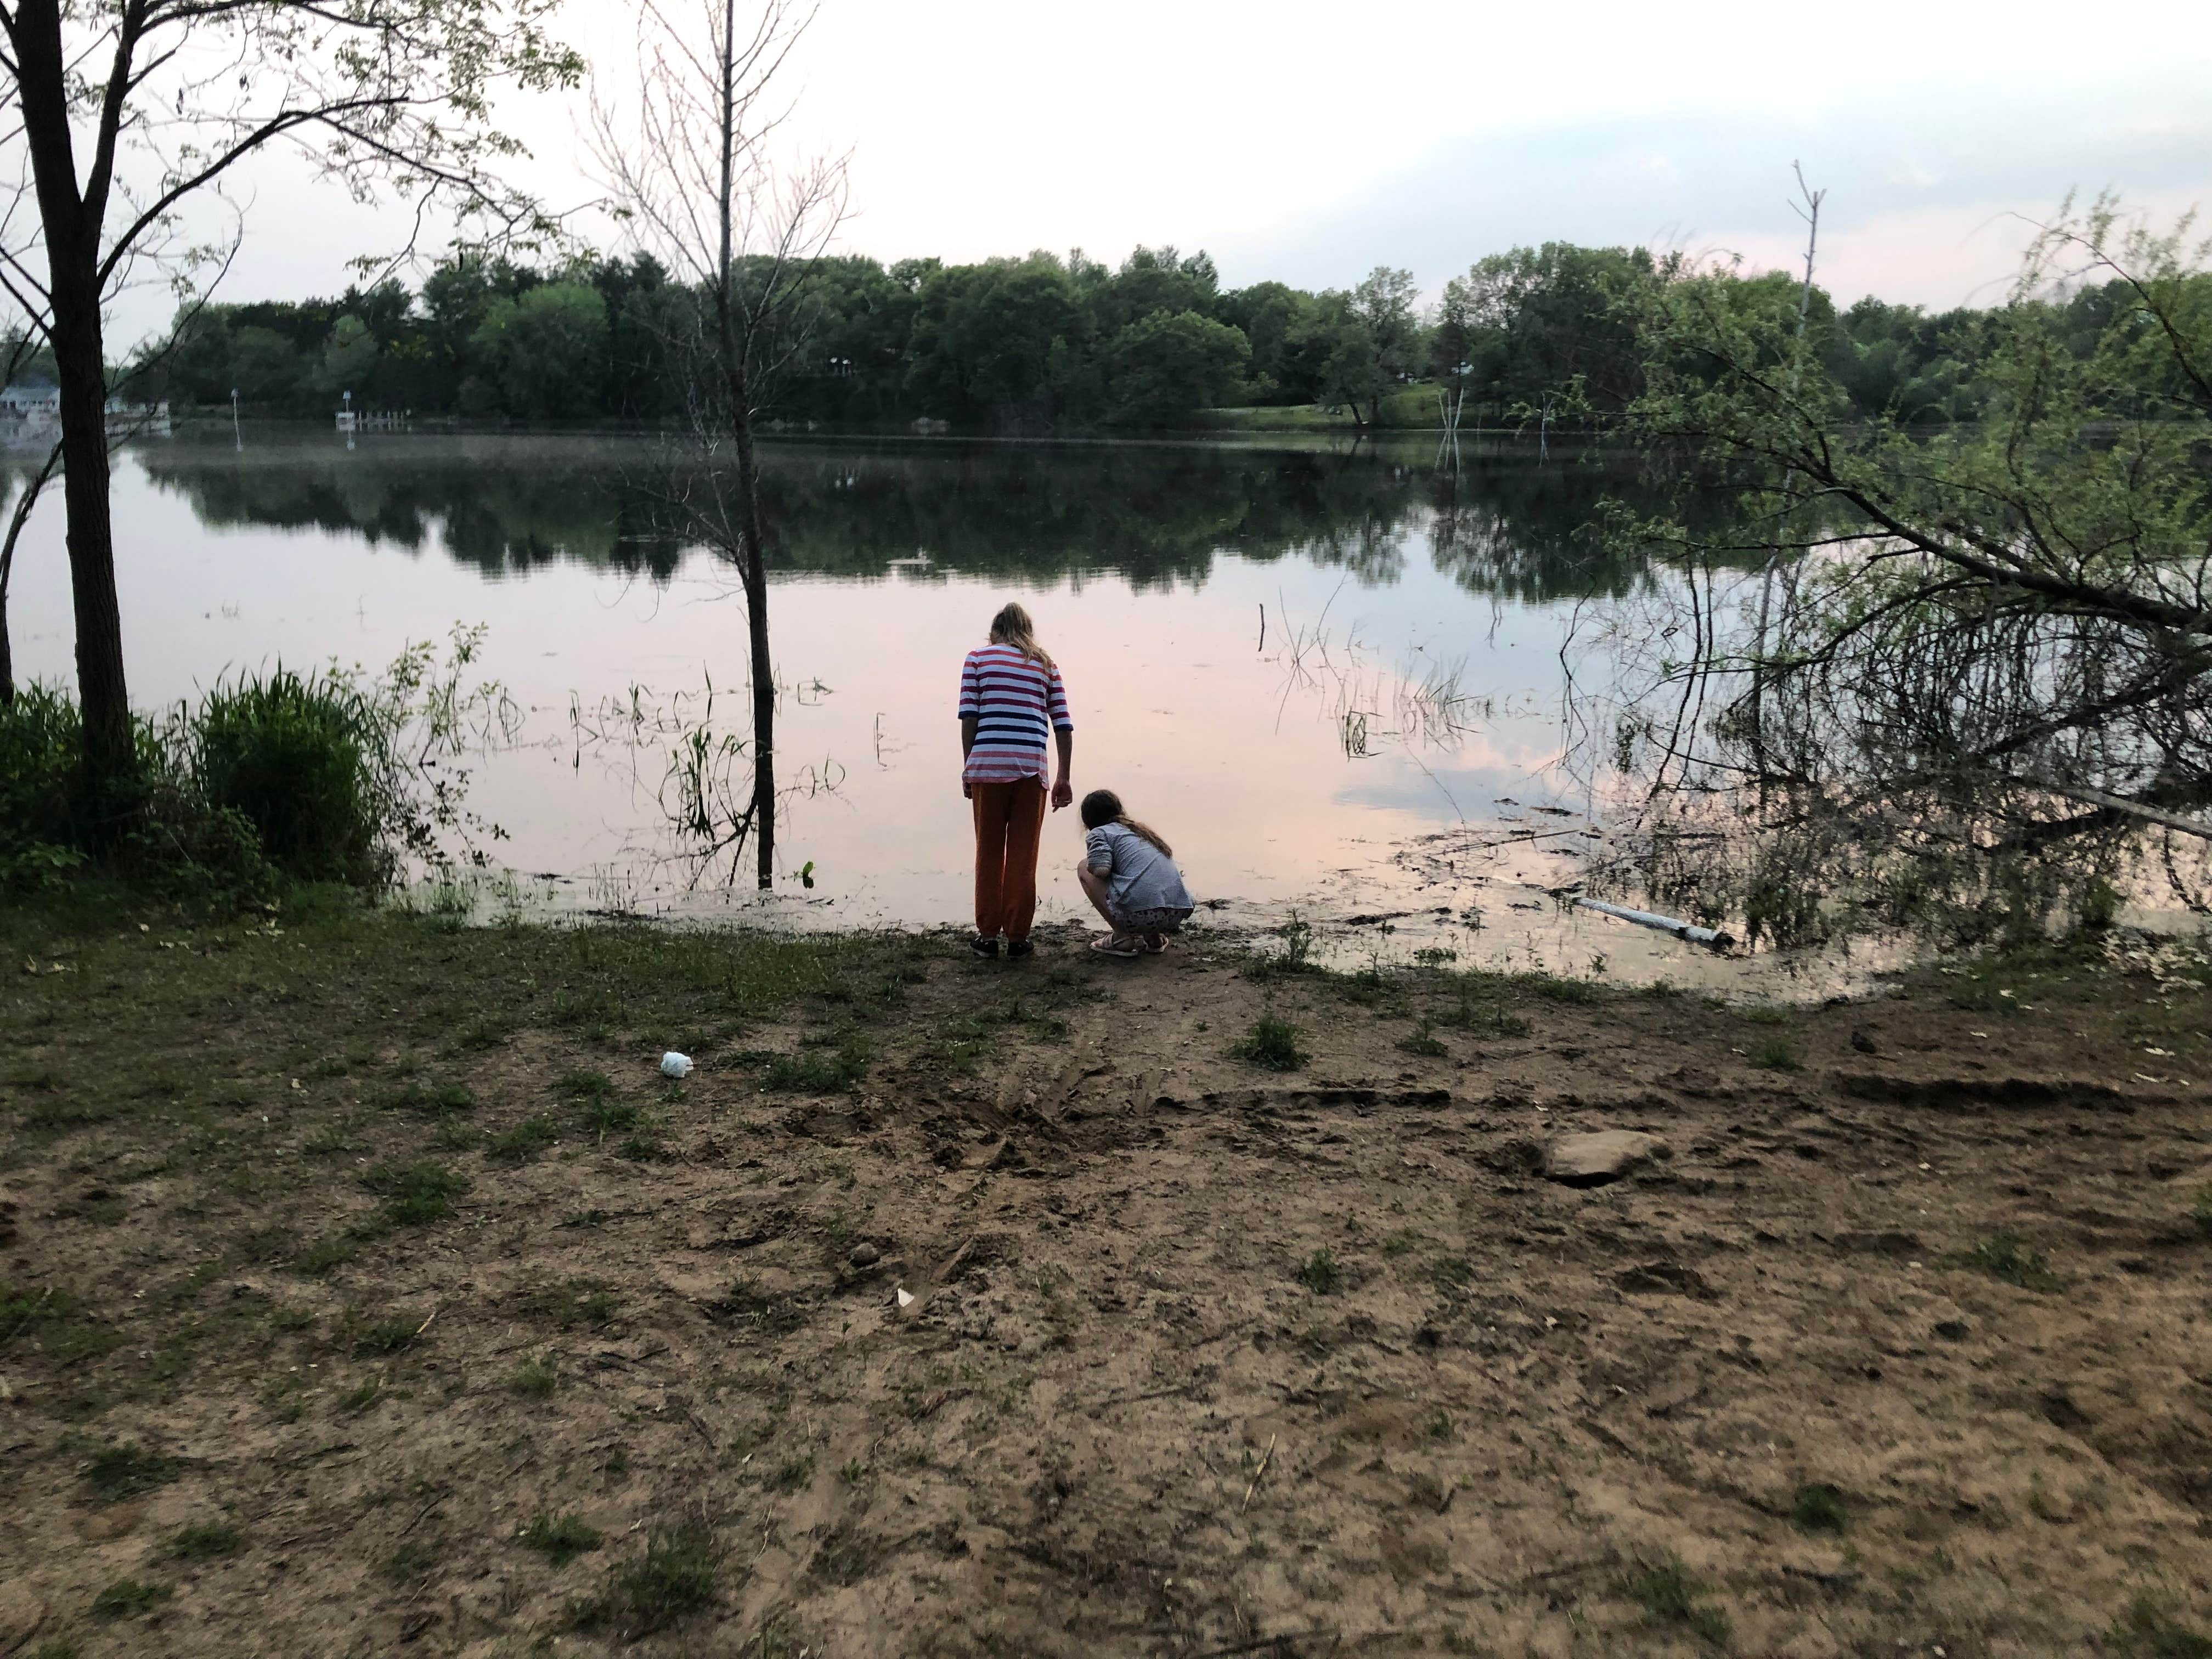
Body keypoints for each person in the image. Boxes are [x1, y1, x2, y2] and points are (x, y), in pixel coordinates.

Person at [958, 602, 1073, 959]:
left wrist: (969, 767)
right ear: (1028, 632)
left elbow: (969, 720)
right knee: (1024, 855)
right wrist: (1064, 777)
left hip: (987, 769)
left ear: (995, 632)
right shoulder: (1046, 664)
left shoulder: (977, 659)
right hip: (1030, 769)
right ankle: (1018, 939)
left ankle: (988, 936)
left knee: (989, 851)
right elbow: (1063, 725)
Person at [1076, 788, 1194, 958]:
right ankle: (1155, 938)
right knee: (1141, 875)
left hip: (1142, 917)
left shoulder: (1099, 833)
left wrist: (1095, 863)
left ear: (1088, 821)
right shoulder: (1140, 831)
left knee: (1083, 867)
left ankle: (1122, 938)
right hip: (1175, 914)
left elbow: (1101, 871)